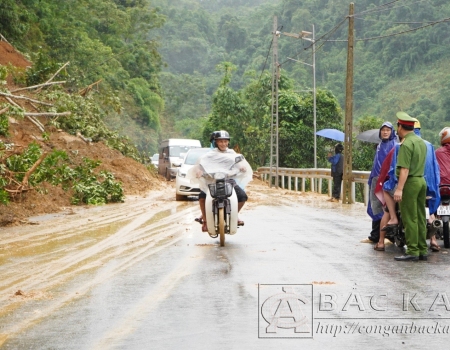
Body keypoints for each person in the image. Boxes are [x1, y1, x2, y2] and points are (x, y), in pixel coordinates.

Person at [191, 130, 252, 232]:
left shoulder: (232, 154)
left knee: (242, 196)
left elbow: (239, 163)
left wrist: (242, 167)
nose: (223, 144)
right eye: (220, 141)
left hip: (229, 181)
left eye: (225, 141)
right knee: (202, 196)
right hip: (213, 181)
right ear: (216, 142)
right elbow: (201, 164)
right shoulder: (210, 155)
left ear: (228, 142)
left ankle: (234, 215)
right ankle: (205, 221)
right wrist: (199, 171)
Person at [393, 112, 427, 261]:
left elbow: (405, 169)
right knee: (420, 216)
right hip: (421, 180)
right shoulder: (421, 142)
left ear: (400, 127)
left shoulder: (406, 144)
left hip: (410, 182)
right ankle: (422, 249)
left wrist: (399, 188)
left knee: (409, 217)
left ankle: (412, 250)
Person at [364, 122, 396, 243]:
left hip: (388, 181)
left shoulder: (394, 145)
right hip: (376, 180)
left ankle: (390, 236)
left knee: (388, 208)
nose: (385, 132)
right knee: (376, 207)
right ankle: (374, 236)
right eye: (383, 130)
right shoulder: (379, 145)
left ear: (392, 132)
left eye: (388, 130)